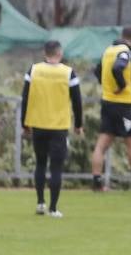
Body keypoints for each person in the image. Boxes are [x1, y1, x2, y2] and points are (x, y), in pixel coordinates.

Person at [20, 39, 84, 218]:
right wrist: (78, 124)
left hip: (38, 124)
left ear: (44, 53)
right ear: (60, 53)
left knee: (40, 163)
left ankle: (40, 203)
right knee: (56, 167)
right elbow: (77, 102)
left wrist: (24, 124)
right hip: (58, 127)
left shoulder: (34, 70)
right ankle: (53, 208)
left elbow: (25, 98)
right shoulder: (68, 73)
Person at [89, 27, 131, 191]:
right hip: (122, 104)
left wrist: (106, 86)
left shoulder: (108, 51)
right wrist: (122, 85)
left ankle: (97, 182)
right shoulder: (125, 52)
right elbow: (118, 68)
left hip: (107, 102)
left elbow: (97, 70)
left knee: (102, 144)